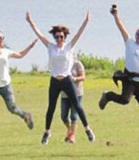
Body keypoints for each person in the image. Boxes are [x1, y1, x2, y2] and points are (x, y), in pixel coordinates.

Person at [26, 11, 95, 145]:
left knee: (77, 105)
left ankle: (88, 129)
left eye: (61, 37)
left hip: (67, 79)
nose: (59, 39)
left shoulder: (69, 47)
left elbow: (79, 34)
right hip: (54, 81)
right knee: (51, 107)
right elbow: (39, 34)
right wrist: (30, 22)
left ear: (64, 37)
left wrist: (86, 21)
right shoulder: (50, 46)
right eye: (57, 37)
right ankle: (47, 133)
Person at [60, 57, 86, 143]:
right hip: (64, 94)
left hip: (77, 93)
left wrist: (74, 79)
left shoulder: (77, 64)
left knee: (74, 116)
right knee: (63, 116)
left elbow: (83, 77)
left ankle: (72, 136)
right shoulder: (62, 65)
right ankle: (70, 129)